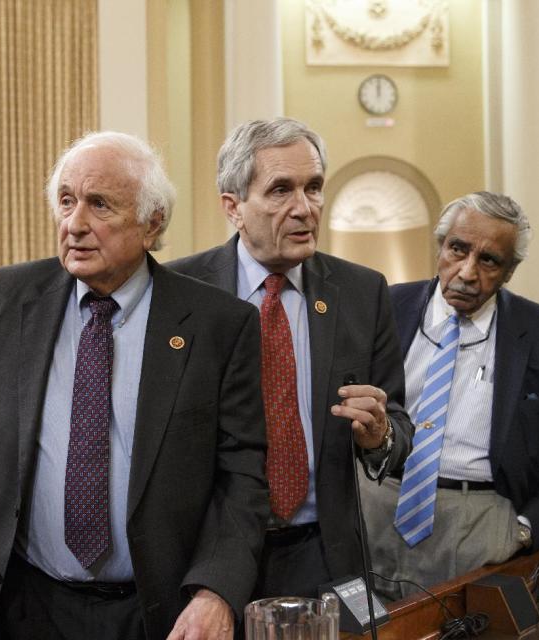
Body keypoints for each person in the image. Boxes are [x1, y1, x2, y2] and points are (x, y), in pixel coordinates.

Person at [0, 131, 269, 640]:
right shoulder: (8, 298)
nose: (74, 224)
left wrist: (216, 591)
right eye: (66, 201)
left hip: (156, 611)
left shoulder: (218, 323)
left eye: (100, 205)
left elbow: (242, 476)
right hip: (24, 605)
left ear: (152, 223)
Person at [168, 117, 413, 598]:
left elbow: (399, 427)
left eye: (315, 187)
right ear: (233, 208)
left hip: (324, 553)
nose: (305, 208)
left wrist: (379, 434)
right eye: (281, 190)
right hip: (209, 556)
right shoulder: (181, 294)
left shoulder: (362, 293)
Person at [361, 191, 539, 600]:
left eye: (489, 260)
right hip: (374, 508)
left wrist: (526, 529)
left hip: (479, 525)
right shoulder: (381, 307)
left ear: (509, 272)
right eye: (458, 249)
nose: (467, 272)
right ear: (441, 246)